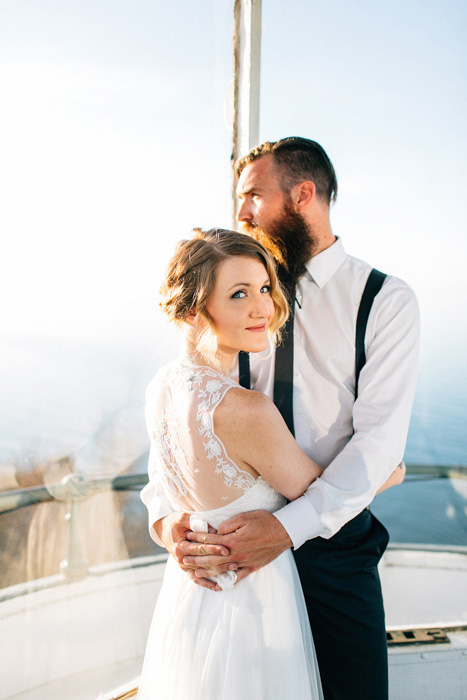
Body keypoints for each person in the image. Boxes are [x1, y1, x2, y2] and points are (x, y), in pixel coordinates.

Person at [150, 138, 420, 700]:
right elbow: (178, 427)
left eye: (252, 196)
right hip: (235, 547)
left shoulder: (385, 300)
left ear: (303, 195)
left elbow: (378, 442)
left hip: (331, 541)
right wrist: (167, 522)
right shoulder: (242, 294)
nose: (241, 213)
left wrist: (287, 528)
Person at [138, 228, 324, 699]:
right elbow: (322, 494)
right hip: (251, 609)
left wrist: (167, 529)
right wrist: (391, 471)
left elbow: (158, 487)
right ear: (195, 309)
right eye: (239, 294)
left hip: (188, 601)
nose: (262, 307)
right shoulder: (248, 411)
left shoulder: (159, 388)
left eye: (264, 288)